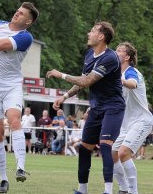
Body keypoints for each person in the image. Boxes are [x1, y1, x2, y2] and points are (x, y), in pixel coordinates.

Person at [47, 21, 125, 194]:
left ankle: (108, 191)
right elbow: (81, 83)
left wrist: (61, 75)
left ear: (101, 36)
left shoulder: (110, 58)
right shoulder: (90, 54)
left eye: (92, 31)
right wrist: (65, 96)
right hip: (96, 108)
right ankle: (82, 190)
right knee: (84, 148)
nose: (88, 33)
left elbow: (87, 81)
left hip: (113, 107)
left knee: (105, 145)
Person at [0, 2, 39, 193]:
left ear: (28, 21)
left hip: (11, 86)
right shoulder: (1, 25)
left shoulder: (25, 37)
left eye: (21, 14)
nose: (16, 14)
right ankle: (3, 179)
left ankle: (20, 167)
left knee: (14, 120)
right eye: (17, 11)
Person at [112, 42, 153, 194]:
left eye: (120, 50)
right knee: (112, 153)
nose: (116, 51)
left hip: (142, 120)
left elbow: (132, 83)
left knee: (123, 153)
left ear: (127, 57)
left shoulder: (131, 71)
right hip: (126, 123)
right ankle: (123, 189)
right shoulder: (115, 73)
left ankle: (133, 192)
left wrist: (120, 81)